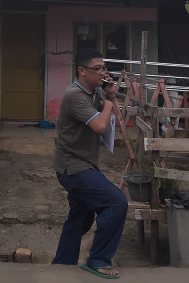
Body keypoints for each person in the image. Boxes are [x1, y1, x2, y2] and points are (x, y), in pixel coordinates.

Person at [52, 48, 128, 279]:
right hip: (73, 167)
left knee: (80, 218)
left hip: (83, 164)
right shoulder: (75, 95)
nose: (103, 73)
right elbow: (100, 126)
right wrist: (107, 103)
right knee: (116, 202)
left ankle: (62, 265)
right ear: (82, 71)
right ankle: (98, 259)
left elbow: (116, 118)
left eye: (104, 68)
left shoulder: (93, 93)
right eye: (97, 69)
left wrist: (111, 96)